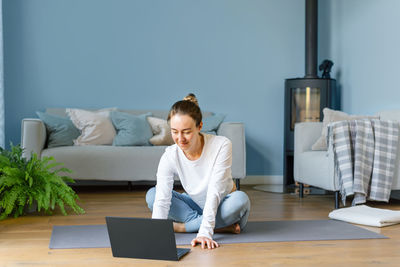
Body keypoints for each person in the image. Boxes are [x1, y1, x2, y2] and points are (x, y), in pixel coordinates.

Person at [146, 93, 250, 250]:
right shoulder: (170, 154)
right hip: (194, 205)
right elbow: (162, 198)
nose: (180, 138)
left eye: (186, 132)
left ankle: (184, 227)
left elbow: (215, 191)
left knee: (240, 201)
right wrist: (156, 233)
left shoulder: (221, 145)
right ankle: (219, 227)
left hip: (223, 204)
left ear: (199, 126)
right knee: (152, 195)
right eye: (174, 131)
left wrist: (205, 232)